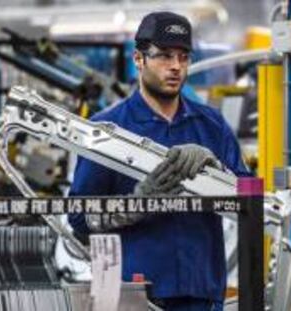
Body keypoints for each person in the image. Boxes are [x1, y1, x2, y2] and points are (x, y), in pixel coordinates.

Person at [68, 11, 250, 311]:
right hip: (134, 296)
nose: (176, 66)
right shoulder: (107, 131)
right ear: (139, 59)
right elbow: (79, 219)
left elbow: (250, 200)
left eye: (183, 56)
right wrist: (136, 204)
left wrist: (217, 170)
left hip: (201, 292)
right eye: (164, 56)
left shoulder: (210, 125)